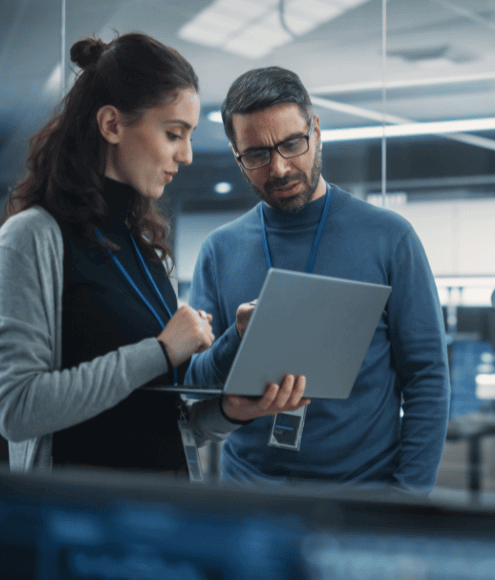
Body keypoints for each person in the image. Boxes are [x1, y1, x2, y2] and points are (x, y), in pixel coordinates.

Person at [0, 35, 309, 475]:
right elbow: (15, 409)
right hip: (76, 524)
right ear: (112, 125)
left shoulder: (147, 252)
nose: (187, 155)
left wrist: (231, 411)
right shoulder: (32, 238)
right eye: (174, 134)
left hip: (162, 515)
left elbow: (165, 421)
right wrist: (159, 351)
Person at [185, 66, 450, 494]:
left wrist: (408, 496)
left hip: (362, 496)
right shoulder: (220, 250)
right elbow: (196, 383)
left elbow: (427, 377)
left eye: (292, 143)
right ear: (237, 156)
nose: (280, 167)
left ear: (317, 131)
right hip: (249, 496)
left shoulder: (389, 238)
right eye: (257, 155)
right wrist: (237, 336)